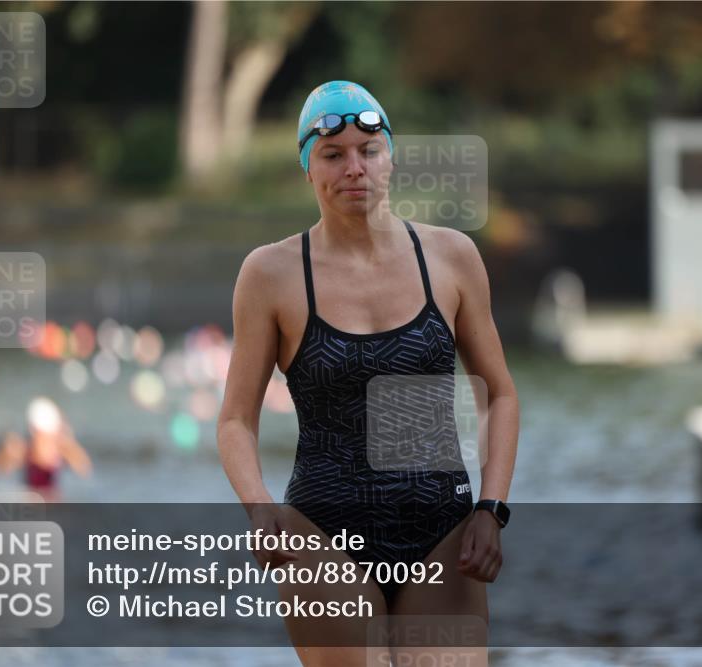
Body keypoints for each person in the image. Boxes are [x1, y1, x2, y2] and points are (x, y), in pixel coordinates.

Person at [216, 80, 520, 666]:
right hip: (323, 529)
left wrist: (491, 508)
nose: (354, 168)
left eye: (369, 150)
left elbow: (500, 395)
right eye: (333, 154)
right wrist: (259, 506)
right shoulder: (272, 274)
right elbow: (235, 418)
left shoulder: (451, 257)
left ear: (391, 157)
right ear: (308, 167)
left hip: (444, 530)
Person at [0, 396, 92, 502]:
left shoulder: (61, 449)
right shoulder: (24, 449)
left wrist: (71, 446)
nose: (46, 443)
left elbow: (85, 469)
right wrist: (7, 453)